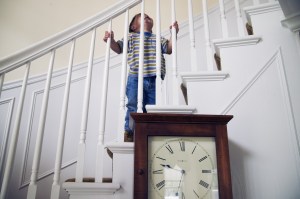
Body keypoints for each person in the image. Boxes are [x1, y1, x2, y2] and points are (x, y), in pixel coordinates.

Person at [103, 13, 179, 142]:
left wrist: (174, 33)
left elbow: (170, 49)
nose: (147, 16)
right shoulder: (131, 37)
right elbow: (118, 48)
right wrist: (110, 41)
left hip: (153, 78)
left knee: (151, 107)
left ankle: (149, 132)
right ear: (133, 26)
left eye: (149, 16)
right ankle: (129, 132)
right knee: (133, 105)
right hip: (135, 77)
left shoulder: (157, 38)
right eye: (143, 16)